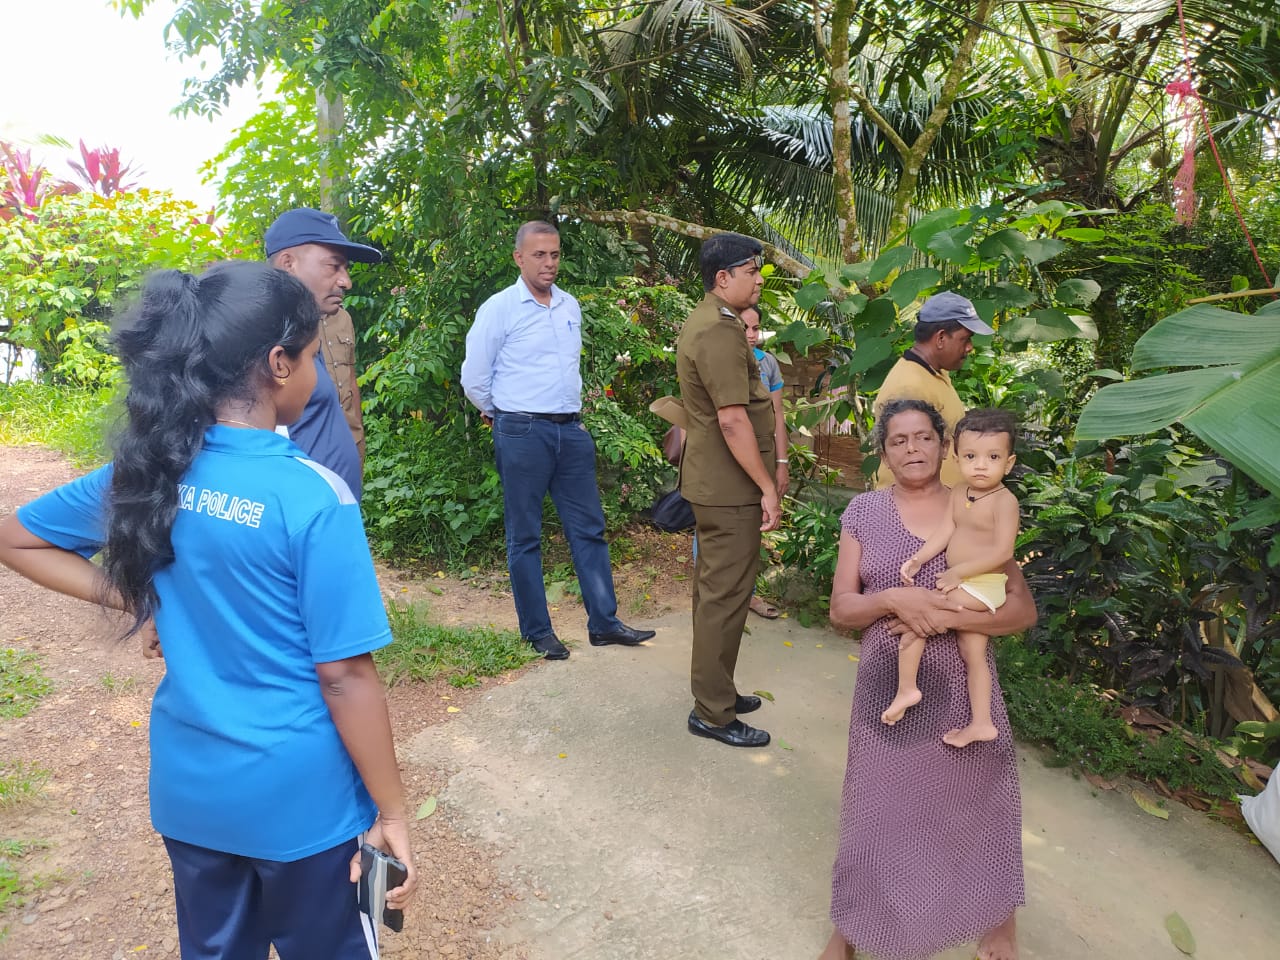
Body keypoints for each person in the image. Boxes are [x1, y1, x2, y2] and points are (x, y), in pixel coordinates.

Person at [0, 262, 416, 959]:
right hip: (302, 805)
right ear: (279, 365)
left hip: (192, 796)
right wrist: (395, 811)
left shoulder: (151, 471)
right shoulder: (312, 495)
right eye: (313, 356)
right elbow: (343, 675)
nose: (315, 371)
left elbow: (14, 535)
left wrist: (141, 594)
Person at [819, 397, 1034, 960]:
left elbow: (1020, 612)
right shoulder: (863, 513)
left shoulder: (977, 501)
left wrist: (948, 617)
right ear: (883, 453)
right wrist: (892, 597)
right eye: (898, 440)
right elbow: (842, 608)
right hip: (884, 686)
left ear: (945, 445)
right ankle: (851, 929)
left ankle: (997, 921)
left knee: (978, 802)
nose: (912, 448)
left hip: (962, 685)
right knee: (876, 808)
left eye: (923, 437)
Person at [460, 221, 654, 660]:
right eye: (539, 255)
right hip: (522, 430)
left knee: (589, 529)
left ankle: (604, 622)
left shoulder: (569, 306)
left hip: (571, 430)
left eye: (554, 254)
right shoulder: (500, 308)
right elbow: (474, 378)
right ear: (519, 258)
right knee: (525, 536)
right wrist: (502, 414)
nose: (549, 263)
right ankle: (537, 631)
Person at [676, 232, 781, 748]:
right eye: (751, 270)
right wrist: (767, 485)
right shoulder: (718, 330)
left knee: (720, 595)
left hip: (720, 482)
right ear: (723, 278)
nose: (759, 279)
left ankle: (718, 691)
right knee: (723, 598)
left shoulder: (718, 322)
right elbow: (733, 419)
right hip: (729, 487)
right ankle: (713, 713)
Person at [893, 408, 1020, 746]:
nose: (980, 465)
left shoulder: (1005, 502)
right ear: (956, 456)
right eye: (971, 456)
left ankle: (907, 689)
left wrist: (958, 573)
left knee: (922, 617)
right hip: (965, 584)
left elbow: (1003, 552)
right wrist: (919, 558)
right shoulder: (959, 492)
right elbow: (946, 530)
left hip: (983, 586)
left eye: (993, 456)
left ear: (1008, 463)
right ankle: (982, 722)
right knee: (973, 654)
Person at [266, 207, 383, 498]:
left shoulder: (302, 332)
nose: (346, 282)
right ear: (288, 263)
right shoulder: (265, 340)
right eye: (333, 266)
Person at [872, 291, 994, 489]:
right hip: (914, 513)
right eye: (965, 339)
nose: (970, 347)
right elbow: (911, 467)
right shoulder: (910, 387)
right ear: (941, 338)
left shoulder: (935, 373)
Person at [742, 304, 789, 619]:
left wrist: (782, 461)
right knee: (713, 527)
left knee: (753, 525)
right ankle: (711, 594)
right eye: (745, 327)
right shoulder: (719, 359)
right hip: (724, 453)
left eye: (755, 328)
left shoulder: (767, 363)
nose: (751, 335)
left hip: (760, 453)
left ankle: (748, 594)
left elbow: (777, 414)